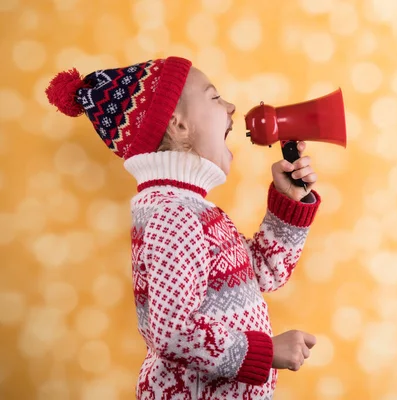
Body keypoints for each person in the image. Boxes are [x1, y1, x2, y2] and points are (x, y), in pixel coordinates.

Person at [46, 56, 321, 400]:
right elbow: (173, 331)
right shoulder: (173, 215)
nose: (232, 106)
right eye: (214, 97)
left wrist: (288, 201)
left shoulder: (193, 209)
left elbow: (262, 273)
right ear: (177, 125)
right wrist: (265, 351)